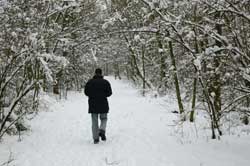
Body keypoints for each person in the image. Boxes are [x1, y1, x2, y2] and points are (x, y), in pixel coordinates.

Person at [84, 68, 112, 144]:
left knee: (94, 121)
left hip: (93, 104)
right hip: (103, 103)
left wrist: (92, 95)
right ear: (101, 73)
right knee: (104, 118)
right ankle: (102, 130)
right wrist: (103, 95)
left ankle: (96, 138)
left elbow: (86, 92)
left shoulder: (90, 82)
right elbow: (109, 93)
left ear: (95, 73)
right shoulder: (105, 82)